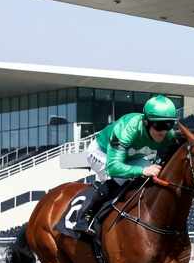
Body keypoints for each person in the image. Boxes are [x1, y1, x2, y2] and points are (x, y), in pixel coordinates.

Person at [76, 96, 181, 236]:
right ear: (146, 122)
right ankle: (86, 218)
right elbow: (113, 167)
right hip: (102, 153)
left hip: (131, 156)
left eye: (169, 124)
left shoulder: (168, 134)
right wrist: (142, 170)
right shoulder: (126, 130)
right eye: (159, 125)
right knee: (119, 180)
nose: (164, 131)